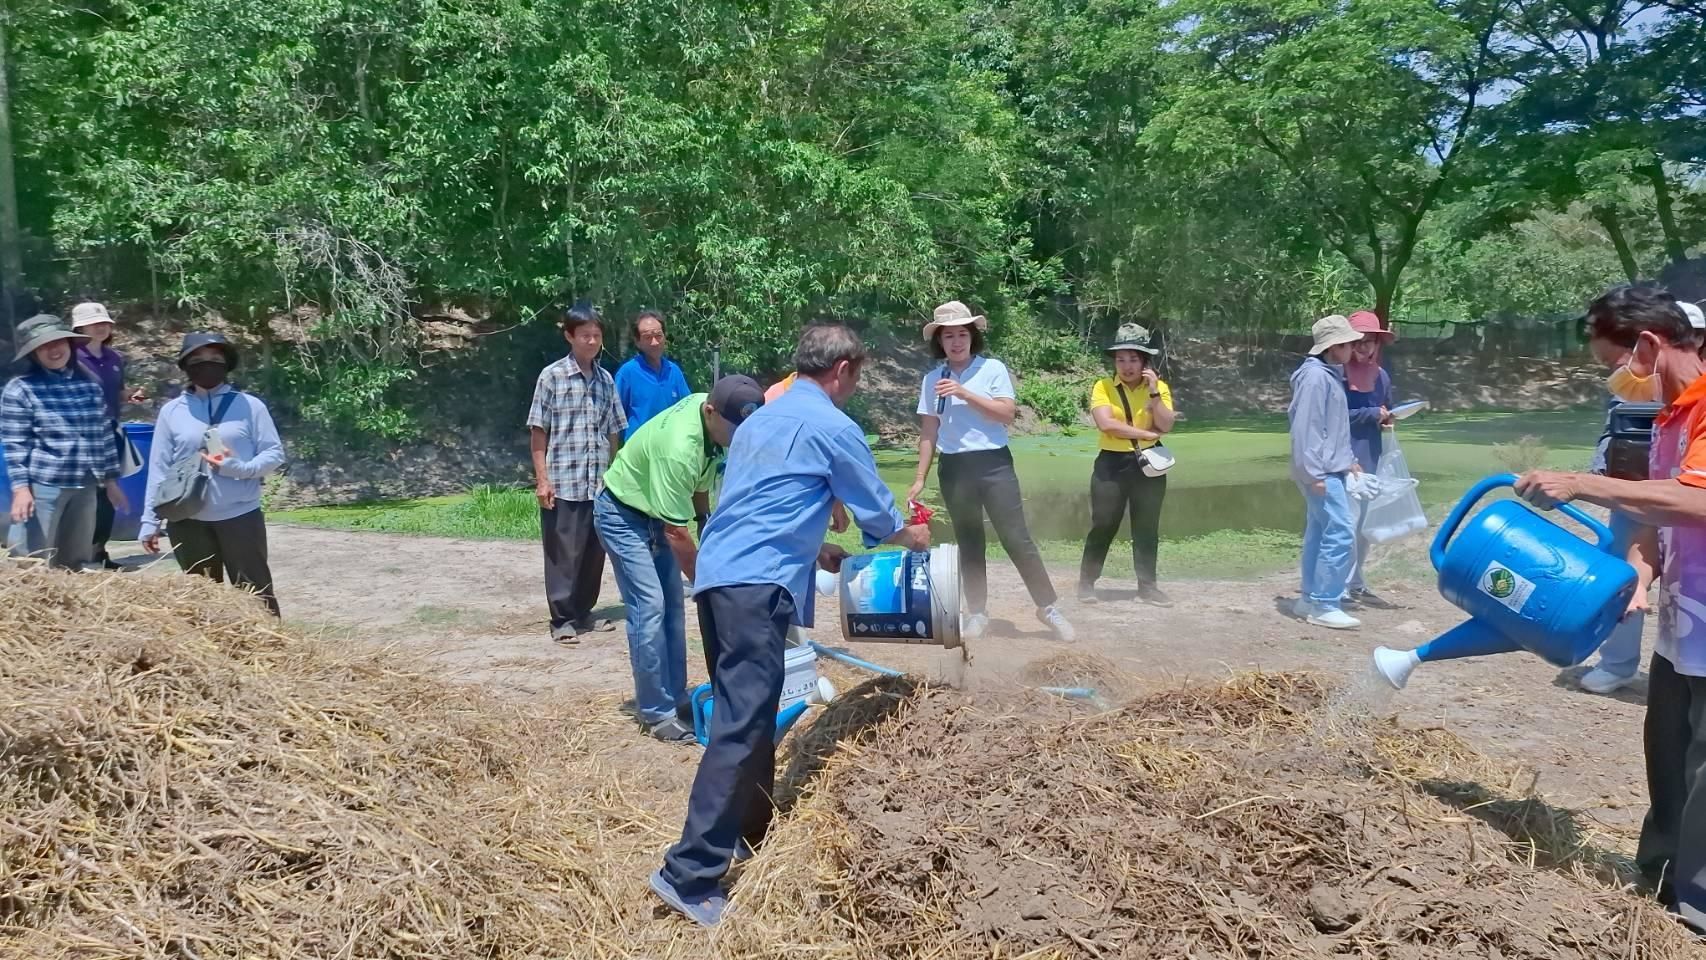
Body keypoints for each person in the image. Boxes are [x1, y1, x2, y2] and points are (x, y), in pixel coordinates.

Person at [651, 322, 931, 927]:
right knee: (738, 724)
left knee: (745, 712)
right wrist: (914, 539)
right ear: (844, 370)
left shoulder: (759, 421)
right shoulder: (833, 425)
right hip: (757, 588)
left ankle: (756, 830)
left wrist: (814, 550)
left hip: (721, 578)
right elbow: (880, 520)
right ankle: (689, 874)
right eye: (858, 377)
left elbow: (760, 504)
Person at [1514, 285, 1706, 932]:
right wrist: (1640, 576)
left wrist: (1581, 482)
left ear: (1648, 345)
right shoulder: (1668, 417)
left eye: (1615, 361)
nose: (1616, 377)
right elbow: (1657, 516)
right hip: (1683, 628)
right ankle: (1657, 887)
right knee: (1669, 764)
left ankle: (1697, 914)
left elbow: (1698, 500)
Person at [594, 375, 766, 742]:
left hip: (657, 513)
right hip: (623, 515)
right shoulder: (679, 448)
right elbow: (676, 532)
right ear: (710, 412)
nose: (738, 438)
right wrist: (707, 583)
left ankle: (676, 697)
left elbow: (700, 484)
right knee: (650, 607)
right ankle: (656, 713)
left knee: (673, 605)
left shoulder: (715, 414)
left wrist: (706, 523)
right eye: (735, 431)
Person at [906, 301, 1073, 641]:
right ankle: (978, 612)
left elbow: (1006, 414)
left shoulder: (992, 369)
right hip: (954, 467)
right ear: (939, 341)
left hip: (994, 463)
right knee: (969, 542)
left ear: (972, 337)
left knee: (1016, 537)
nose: (956, 342)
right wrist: (920, 478)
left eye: (962, 334)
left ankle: (1048, 607)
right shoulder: (931, 379)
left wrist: (965, 393)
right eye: (948, 335)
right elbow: (929, 431)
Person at [138, 333, 286, 613]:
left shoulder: (250, 406)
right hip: (186, 519)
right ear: (185, 365)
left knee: (256, 595)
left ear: (227, 365)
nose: (207, 365)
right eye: (198, 360)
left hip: (240, 516)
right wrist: (150, 520)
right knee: (202, 599)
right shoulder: (172, 412)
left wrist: (241, 469)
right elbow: (159, 469)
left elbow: (273, 453)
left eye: (216, 360)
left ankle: (273, 653)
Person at [527, 301, 626, 645]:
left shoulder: (605, 380)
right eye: (585, 335)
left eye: (597, 336)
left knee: (592, 551)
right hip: (563, 481)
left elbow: (614, 430)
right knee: (562, 552)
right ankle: (562, 619)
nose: (592, 342)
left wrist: (612, 474)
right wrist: (542, 479)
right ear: (569, 336)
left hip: (596, 483)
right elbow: (539, 430)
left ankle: (585, 612)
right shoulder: (552, 376)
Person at [2, 314, 127, 569]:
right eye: (44, 345)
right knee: (31, 560)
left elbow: (103, 435)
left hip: (86, 485)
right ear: (33, 353)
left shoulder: (89, 386)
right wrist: (21, 490)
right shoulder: (21, 389)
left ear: (70, 345)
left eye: (58, 342)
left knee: (75, 560)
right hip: (45, 486)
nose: (53, 349)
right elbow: (16, 444)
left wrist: (111, 481)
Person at [1077, 323, 1177, 607]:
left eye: (1133, 359)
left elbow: (1166, 424)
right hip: (1111, 464)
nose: (1126, 365)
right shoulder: (1103, 387)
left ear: (1145, 361)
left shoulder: (1159, 389)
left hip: (1148, 465)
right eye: (1121, 359)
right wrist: (1145, 434)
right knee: (1104, 523)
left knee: (1147, 526)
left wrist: (1155, 393)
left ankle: (1148, 587)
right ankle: (1086, 583)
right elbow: (1107, 424)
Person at [1288, 314, 1364, 631]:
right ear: (1333, 347)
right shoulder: (1316, 378)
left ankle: (1309, 597)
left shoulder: (1325, 375)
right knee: (1341, 530)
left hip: (1329, 468)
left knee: (1320, 532)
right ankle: (1324, 602)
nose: (1353, 350)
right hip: (1321, 472)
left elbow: (1329, 428)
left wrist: (1347, 459)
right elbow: (1306, 428)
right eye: (1348, 344)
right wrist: (1314, 473)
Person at [70, 302, 147, 569]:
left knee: (107, 496)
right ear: (79, 327)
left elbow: (113, 393)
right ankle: (76, 554)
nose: (101, 327)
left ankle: (98, 552)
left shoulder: (114, 358)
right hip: (80, 436)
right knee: (83, 495)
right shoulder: (69, 358)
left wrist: (128, 396)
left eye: (105, 322)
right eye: (94, 323)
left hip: (110, 432)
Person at [1342, 311, 1398, 609]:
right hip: (1345, 457)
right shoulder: (1337, 374)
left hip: (1371, 454)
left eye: (1370, 342)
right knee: (1344, 524)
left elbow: (1383, 408)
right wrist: (1371, 414)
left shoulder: (1381, 376)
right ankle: (1335, 586)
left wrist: (1387, 419)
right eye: (1359, 342)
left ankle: (1357, 583)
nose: (1364, 348)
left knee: (1364, 525)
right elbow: (1334, 418)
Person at [614, 310, 691, 440]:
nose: (654, 342)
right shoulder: (627, 373)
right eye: (648, 337)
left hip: (669, 450)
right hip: (639, 454)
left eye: (658, 336)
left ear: (665, 337)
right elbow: (614, 419)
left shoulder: (674, 371)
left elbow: (688, 410)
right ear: (637, 342)